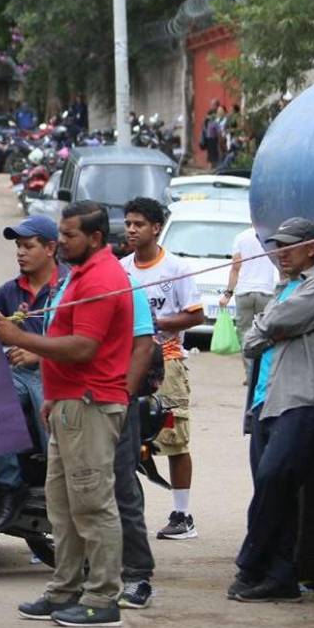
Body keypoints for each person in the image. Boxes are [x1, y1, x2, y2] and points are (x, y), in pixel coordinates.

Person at [0, 201, 133, 627]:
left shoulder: (103, 277)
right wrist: (52, 396)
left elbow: (82, 347)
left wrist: (20, 338)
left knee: (91, 503)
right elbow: (64, 338)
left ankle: (103, 597)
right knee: (63, 506)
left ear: (93, 238)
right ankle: (64, 588)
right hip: (69, 404)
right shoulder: (80, 276)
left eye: (69, 236)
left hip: (92, 403)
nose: (63, 242)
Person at [229, 218, 314, 614]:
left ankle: (251, 562)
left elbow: (273, 323)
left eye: (287, 247)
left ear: (310, 247)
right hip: (266, 400)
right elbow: (250, 340)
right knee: (272, 488)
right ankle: (280, 576)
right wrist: (269, 329)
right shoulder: (285, 286)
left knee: (275, 479)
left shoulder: (313, 286)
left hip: (300, 399)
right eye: (276, 246)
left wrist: (269, 328)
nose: (279, 254)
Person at [121, 197, 204, 540]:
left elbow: (196, 314)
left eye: (138, 224)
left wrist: (156, 321)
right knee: (125, 437)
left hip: (167, 360)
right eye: (128, 224)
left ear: (156, 228)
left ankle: (183, 515)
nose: (131, 230)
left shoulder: (176, 268)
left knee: (174, 438)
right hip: (129, 361)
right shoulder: (121, 268)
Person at [0, 216, 69, 529]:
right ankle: (9, 487)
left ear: (50, 248)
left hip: (58, 373)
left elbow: (82, 338)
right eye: (18, 246)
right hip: (18, 376)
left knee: (52, 428)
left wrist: (39, 352)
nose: (20, 252)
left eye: (28, 246)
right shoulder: (10, 291)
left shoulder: (69, 287)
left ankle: (59, 494)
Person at [220, 227, 279, 383]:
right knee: (266, 333)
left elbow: (235, 268)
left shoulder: (241, 237)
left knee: (245, 334)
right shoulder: (271, 235)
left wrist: (227, 294)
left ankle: (250, 374)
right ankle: (264, 374)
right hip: (266, 291)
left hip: (244, 293)